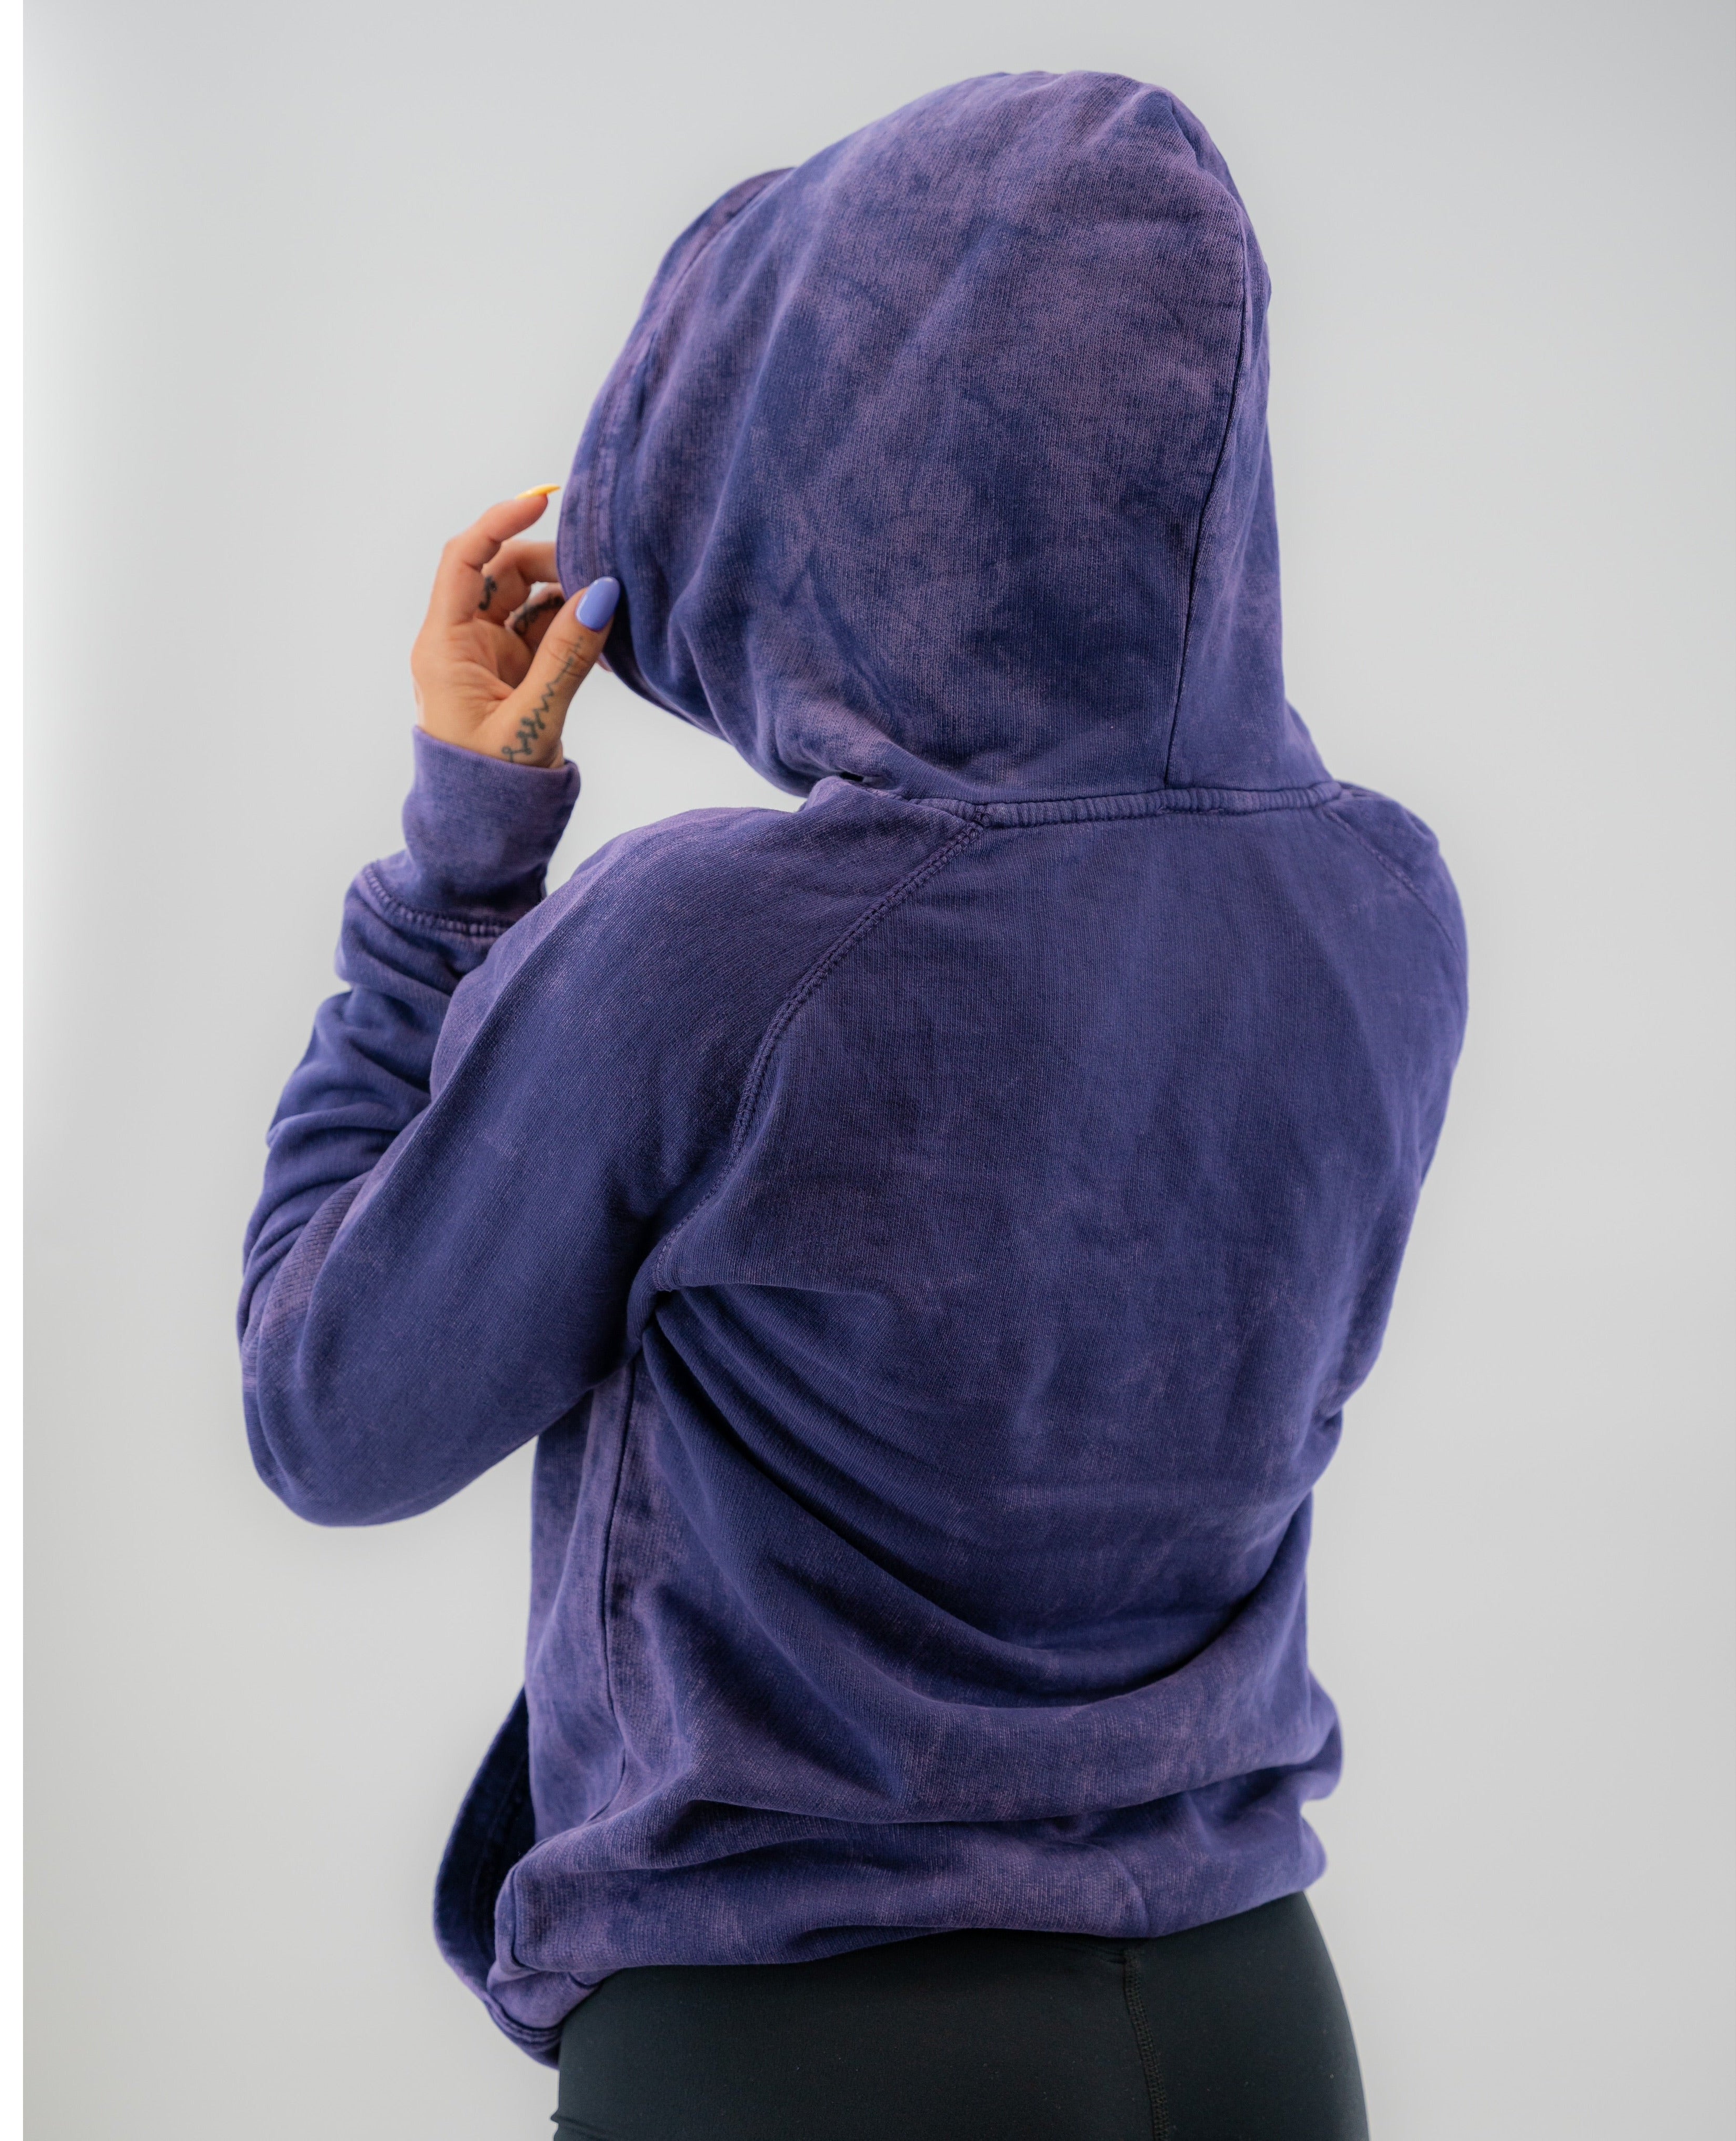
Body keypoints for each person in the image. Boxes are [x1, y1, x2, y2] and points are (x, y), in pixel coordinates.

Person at [240, 70, 1466, 2141]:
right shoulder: (1387, 901)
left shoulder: (711, 944)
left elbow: (329, 1415)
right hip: (1246, 2016)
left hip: (800, 2045)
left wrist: (459, 865)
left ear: (817, 450)